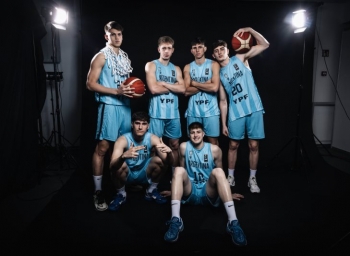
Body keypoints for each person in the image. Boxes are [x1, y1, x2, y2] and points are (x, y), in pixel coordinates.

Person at [164, 122, 247, 246]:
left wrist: (228, 193)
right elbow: (182, 173)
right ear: (189, 134)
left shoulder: (214, 150)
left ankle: (233, 222)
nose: (195, 135)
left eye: (198, 132)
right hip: (190, 191)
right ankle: (176, 220)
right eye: (192, 132)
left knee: (218, 171)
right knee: (178, 170)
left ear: (203, 134)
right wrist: (175, 192)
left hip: (208, 191)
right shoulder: (183, 147)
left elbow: (220, 176)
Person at [212, 27, 270, 193]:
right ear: (214, 56)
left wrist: (250, 30)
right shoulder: (220, 74)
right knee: (233, 145)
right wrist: (223, 123)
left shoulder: (241, 58)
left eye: (222, 49)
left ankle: (252, 179)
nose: (220, 52)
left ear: (227, 50)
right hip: (236, 112)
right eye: (216, 51)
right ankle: (230, 177)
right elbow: (223, 101)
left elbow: (265, 44)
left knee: (253, 145)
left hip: (254, 109)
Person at [86, 21, 135, 211]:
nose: (117, 38)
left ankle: (119, 186)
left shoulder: (124, 56)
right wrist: (116, 91)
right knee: (103, 148)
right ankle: (98, 191)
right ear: (107, 36)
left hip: (125, 107)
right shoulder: (100, 56)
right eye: (113, 34)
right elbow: (90, 84)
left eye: (119, 34)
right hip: (109, 106)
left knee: (121, 146)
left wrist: (133, 90)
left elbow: (126, 84)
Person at [108, 111, 173, 211]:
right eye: (137, 123)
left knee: (159, 161)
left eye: (144, 124)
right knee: (118, 165)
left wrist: (169, 153)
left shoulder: (152, 138)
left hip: (144, 173)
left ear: (148, 126)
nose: (140, 127)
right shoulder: (123, 139)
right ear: (132, 124)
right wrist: (123, 156)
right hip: (127, 174)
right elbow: (112, 166)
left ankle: (151, 190)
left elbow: (168, 162)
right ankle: (121, 194)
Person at [145, 36, 185, 172]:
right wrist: (174, 86)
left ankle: (175, 176)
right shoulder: (151, 65)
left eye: (169, 48)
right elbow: (153, 89)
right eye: (164, 48)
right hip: (156, 113)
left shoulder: (177, 69)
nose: (166, 51)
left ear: (172, 50)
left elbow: (183, 89)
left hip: (173, 113)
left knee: (174, 144)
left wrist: (163, 83)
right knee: (153, 146)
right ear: (159, 49)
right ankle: (152, 177)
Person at [183, 37, 221, 145]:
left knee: (213, 142)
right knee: (194, 141)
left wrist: (194, 83)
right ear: (191, 51)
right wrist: (207, 83)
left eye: (200, 47)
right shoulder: (187, 67)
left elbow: (214, 88)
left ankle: (213, 162)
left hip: (211, 111)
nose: (197, 50)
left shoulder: (214, 64)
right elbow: (186, 91)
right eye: (194, 48)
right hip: (193, 111)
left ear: (205, 48)